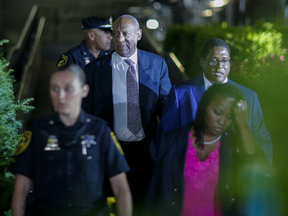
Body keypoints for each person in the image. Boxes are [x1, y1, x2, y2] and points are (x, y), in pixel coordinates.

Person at [9, 64, 132, 216]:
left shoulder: (100, 131)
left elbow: (121, 189)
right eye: (55, 88)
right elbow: (20, 188)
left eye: (68, 89)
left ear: (84, 91)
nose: (60, 96)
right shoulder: (37, 131)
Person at [82, 14, 171, 213]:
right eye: (115, 33)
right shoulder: (94, 70)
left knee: (143, 207)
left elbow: (167, 111)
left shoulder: (157, 65)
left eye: (126, 33)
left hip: (145, 153)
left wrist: (163, 149)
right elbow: (85, 114)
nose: (120, 39)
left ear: (138, 34)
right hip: (110, 153)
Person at [146, 83, 274, 216]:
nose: (222, 121)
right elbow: (156, 188)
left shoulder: (232, 144)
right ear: (204, 106)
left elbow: (257, 167)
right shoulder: (173, 140)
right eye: (217, 112)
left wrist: (244, 125)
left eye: (230, 117)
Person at [156, 38, 272, 164]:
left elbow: (261, 138)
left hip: (234, 176)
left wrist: (263, 173)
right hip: (191, 172)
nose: (220, 66)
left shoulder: (249, 97)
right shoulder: (180, 93)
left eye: (224, 61)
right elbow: (165, 136)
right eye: (213, 61)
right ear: (202, 61)